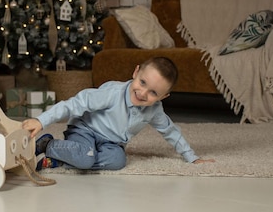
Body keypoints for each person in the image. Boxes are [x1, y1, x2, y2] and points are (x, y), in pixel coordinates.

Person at [21, 57, 215, 170]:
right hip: (85, 130)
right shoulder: (112, 93)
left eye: (154, 93)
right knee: (86, 158)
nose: (142, 93)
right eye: (142, 83)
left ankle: (61, 158)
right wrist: (41, 120)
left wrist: (191, 157)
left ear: (164, 96)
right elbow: (73, 104)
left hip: (110, 142)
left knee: (118, 161)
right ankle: (49, 145)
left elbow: (170, 131)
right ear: (136, 72)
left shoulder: (154, 111)